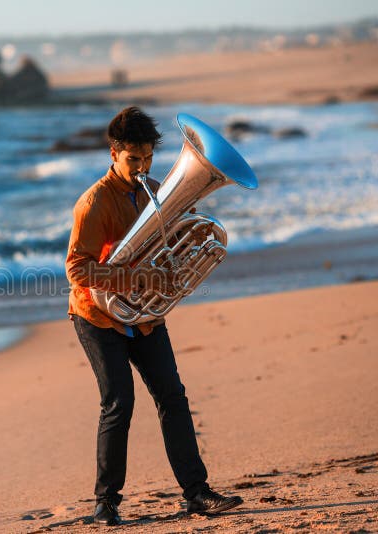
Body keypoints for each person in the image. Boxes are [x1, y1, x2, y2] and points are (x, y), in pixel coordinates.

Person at [65, 106, 243, 526]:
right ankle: (106, 503)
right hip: (97, 315)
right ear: (114, 154)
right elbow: (77, 269)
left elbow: (172, 254)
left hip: (142, 316)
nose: (143, 167)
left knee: (173, 397)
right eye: (134, 160)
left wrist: (169, 275)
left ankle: (197, 493)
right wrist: (134, 274)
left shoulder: (157, 192)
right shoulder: (93, 203)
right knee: (118, 403)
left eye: (147, 158)